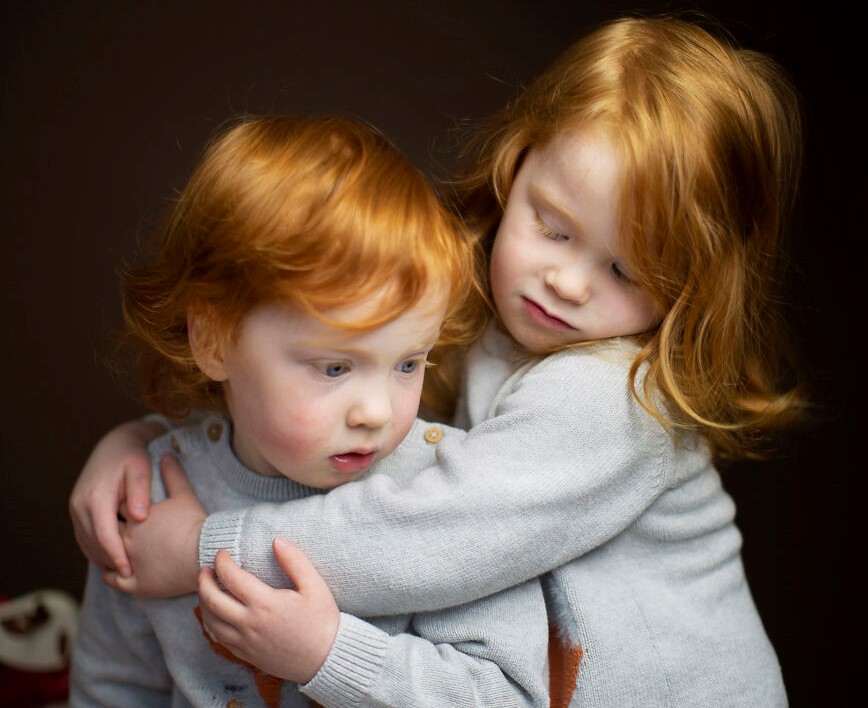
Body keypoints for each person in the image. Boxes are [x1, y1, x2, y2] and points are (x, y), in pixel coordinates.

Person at [71, 16, 806, 706]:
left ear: (693, 285)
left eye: (627, 271)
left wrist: (204, 548)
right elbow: (287, 375)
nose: (569, 282)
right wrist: (137, 445)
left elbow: (422, 538)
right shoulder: (478, 323)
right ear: (514, 170)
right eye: (551, 227)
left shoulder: (618, 397)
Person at [69, 114, 551, 707]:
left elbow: (506, 699)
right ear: (214, 342)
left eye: (408, 363)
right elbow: (113, 686)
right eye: (334, 368)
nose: (376, 411)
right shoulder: (153, 501)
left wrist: (326, 653)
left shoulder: (447, 493)